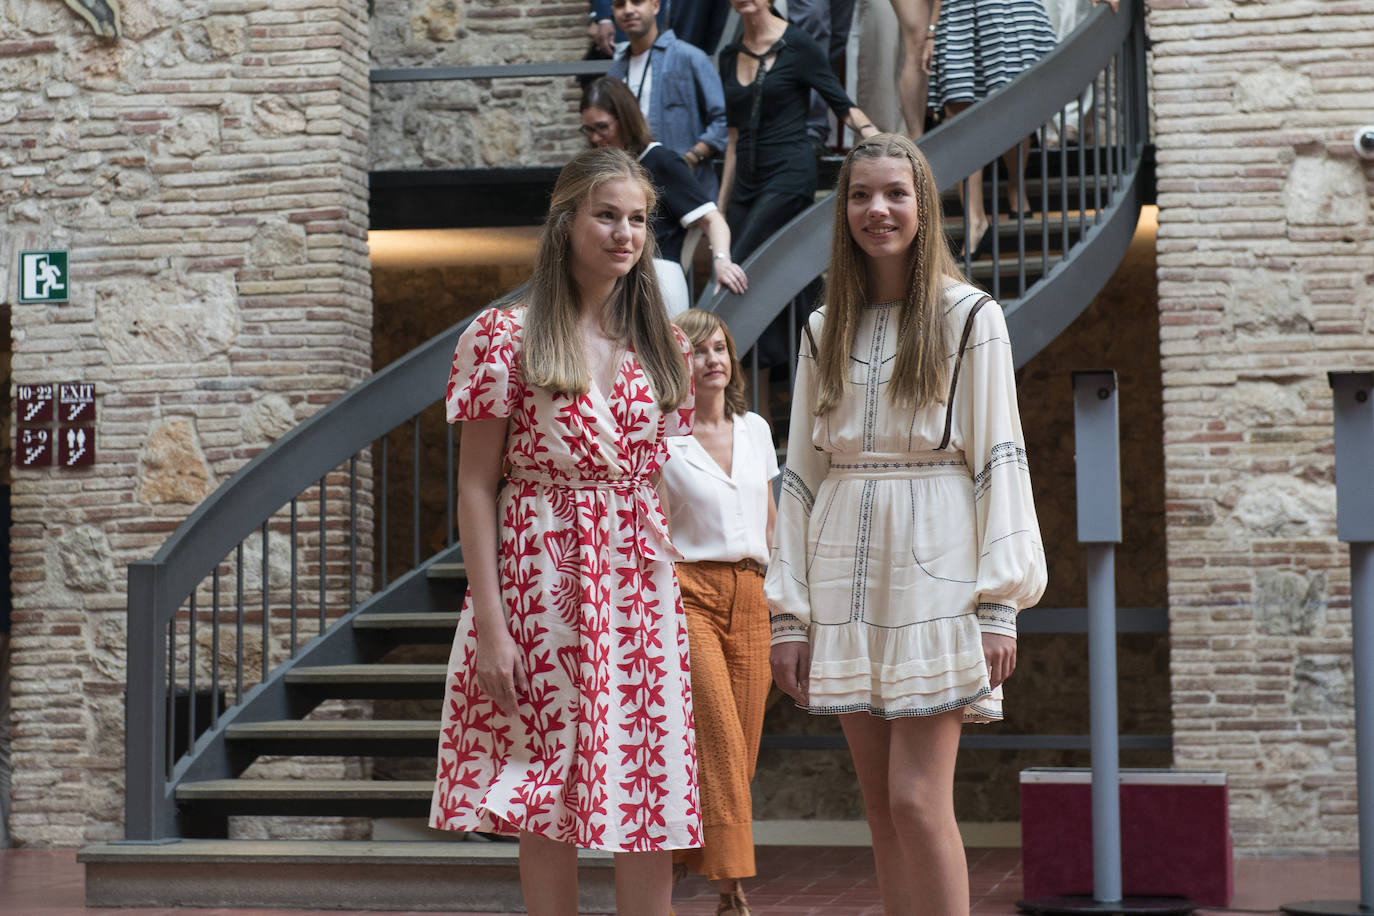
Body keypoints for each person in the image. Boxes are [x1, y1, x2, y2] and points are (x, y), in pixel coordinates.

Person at [765, 133, 1047, 916]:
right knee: (883, 810)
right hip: (842, 563)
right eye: (861, 195)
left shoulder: (970, 317)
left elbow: (1000, 454)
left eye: (894, 193)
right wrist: (788, 617)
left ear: (924, 204)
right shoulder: (824, 326)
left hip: (938, 562)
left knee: (919, 800)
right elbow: (800, 474)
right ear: (843, 209)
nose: (877, 210)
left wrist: (999, 604)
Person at [428, 147, 698, 916]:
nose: (624, 233)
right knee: (544, 787)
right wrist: (489, 623)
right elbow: (477, 487)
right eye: (606, 215)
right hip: (539, 571)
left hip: (639, 584)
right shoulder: (501, 336)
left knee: (648, 788)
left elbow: (661, 478)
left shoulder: (663, 345)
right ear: (566, 221)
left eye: (638, 219)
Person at [657, 309, 777, 916]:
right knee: (719, 738)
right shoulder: (660, 439)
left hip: (754, 593)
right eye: (699, 350)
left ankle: (680, 855)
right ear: (677, 362)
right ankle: (731, 886)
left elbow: (771, 521)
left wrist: (788, 608)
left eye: (721, 348)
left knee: (744, 746)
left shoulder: (755, 429)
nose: (714, 359)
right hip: (688, 594)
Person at [717, 0, 882, 263]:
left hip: (788, 173)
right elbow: (734, 137)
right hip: (745, 182)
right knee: (780, 266)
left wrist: (875, 136)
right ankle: (815, 305)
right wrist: (721, 207)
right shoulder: (728, 56)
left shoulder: (798, 44)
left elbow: (843, 106)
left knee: (740, 263)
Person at [580, 77, 748, 294]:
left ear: (626, 119)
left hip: (658, 279)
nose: (595, 138)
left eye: (602, 127)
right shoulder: (603, 170)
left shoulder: (660, 161)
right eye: (588, 130)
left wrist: (722, 260)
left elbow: (713, 219)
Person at [925, 0, 1058, 257]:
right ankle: (974, 221)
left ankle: (1015, 186)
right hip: (957, 10)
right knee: (958, 112)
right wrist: (932, 29)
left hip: (1007, 6)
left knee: (1011, 103)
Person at [605, 0, 731, 201]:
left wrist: (691, 157)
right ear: (613, 12)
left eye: (637, 2)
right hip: (636, 191)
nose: (628, 10)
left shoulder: (689, 57)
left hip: (690, 189)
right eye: (620, 5)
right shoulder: (614, 73)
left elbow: (724, 119)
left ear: (655, 5)